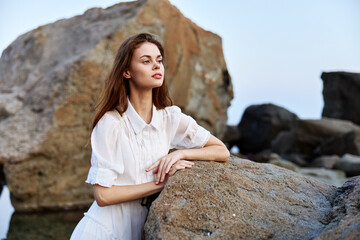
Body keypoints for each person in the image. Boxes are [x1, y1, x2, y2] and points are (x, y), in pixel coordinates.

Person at [70, 32, 230, 240]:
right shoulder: (110, 123)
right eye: (146, 61)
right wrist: (163, 183)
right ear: (127, 72)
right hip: (102, 231)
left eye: (159, 60)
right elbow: (103, 195)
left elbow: (222, 151)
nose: (156, 66)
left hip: (140, 231)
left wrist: (180, 154)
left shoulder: (170, 118)